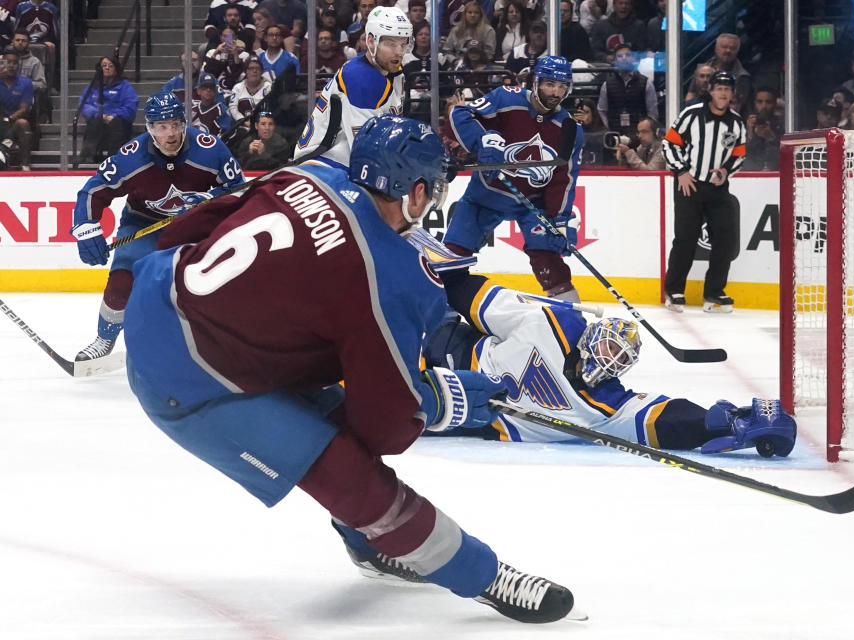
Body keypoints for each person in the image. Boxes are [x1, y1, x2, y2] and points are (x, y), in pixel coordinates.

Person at [121, 113, 576, 624]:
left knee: (330, 422)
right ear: (417, 192)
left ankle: (367, 544)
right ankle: (485, 576)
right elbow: (386, 423)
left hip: (158, 296)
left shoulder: (310, 173)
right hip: (188, 380)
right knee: (351, 476)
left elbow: (198, 223)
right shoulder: (387, 280)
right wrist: (442, 399)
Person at [420, 266, 796, 454]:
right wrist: (427, 268)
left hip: (456, 413)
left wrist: (723, 424)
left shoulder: (606, 406)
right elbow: (472, 295)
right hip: (442, 347)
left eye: (617, 358)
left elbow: (664, 419)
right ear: (591, 337)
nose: (606, 360)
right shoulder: (553, 321)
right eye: (606, 348)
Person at [69, 92, 245, 361]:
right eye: (162, 127)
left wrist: (210, 199)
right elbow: (93, 192)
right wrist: (85, 229)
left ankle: (218, 341)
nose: (171, 133)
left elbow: (239, 189)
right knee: (121, 281)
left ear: (185, 123)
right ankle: (104, 340)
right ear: (150, 129)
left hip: (193, 224)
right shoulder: (131, 158)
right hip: (142, 223)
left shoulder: (210, 149)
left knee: (209, 281)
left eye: (176, 124)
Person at [445, 55, 585, 302]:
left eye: (562, 86)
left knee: (550, 261)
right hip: (485, 196)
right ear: (535, 82)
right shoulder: (506, 98)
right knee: (451, 258)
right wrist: (484, 141)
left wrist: (560, 219)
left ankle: (569, 319)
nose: (556, 92)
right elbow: (461, 113)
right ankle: (440, 316)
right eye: (550, 84)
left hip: (531, 204)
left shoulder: (570, 130)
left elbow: (564, 179)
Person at [662, 70, 746, 313]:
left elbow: (739, 154)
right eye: (719, 88)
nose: (723, 92)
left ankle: (714, 292)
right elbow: (669, 142)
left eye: (727, 89)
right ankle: (674, 290)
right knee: (686, 239)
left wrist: (726, 171)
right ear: (710, 90)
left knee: (725, 240)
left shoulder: (737, 122)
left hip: (718, 189)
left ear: (732, 94)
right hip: (690, 185)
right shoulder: (692, 114)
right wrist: (681, 171)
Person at [294, 6, 411, 167]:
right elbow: (367, 152)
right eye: (391, 44)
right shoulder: (360, 77)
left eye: (403, 44)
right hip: (323, 165)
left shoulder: (394, 72)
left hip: (343, 163)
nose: (399, 52)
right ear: (371, 41)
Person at [77, 55, 139, 163]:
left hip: (117, 122)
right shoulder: (93, 86)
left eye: (110, 66)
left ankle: (115, 160)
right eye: (104, 65)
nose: (107, 68)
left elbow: (130, 107)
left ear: (116, 69)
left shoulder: (124, 86)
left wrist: (114, 115)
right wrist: (99, 114)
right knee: (94, 122)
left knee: (116, 123)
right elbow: (83, 104)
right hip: (98, 120)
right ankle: (86, 159)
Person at [597, 44, 657, 134]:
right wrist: (609, 130)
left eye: (628, 55)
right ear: (615, 61)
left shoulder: (646, 83)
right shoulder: (607, 85)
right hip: (615, 134)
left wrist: (645, 132)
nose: (624, 58)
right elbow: (602, 110)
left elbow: (652, 113)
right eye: (620, 56)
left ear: (633, 59)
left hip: (639, 135)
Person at [690, 33, 751, 114]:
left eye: (732, 48)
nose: (728, 50)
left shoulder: (743, 77)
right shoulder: (701, 70)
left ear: (737, 51)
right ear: (716, 49)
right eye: (724, 47)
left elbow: (737, 106)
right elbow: (691, 94)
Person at [0, 50, 32, 169]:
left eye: (15, 63)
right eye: (8, 62)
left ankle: (25, 166)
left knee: (23, 123)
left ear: (19, 65)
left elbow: (24, 108)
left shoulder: (26, 83)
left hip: (12, 123)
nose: (11, 65)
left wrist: (9, 118)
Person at [589, 0, 646, 64]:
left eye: (627, 4)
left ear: (631, 6)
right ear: (614, 5)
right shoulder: (600, 26)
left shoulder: (639, 26)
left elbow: (642, 50)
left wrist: (631, 57)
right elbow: (595, 50)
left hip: (631, 67)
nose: (624, 6)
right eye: (620, 3)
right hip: (606, 68)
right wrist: (605, 57)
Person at [742, 86, 782, 171]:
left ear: (775, 103)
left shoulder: (783, 125)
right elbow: (740, 156)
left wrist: (772, 138)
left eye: (768, 102)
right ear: (754, 103)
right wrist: (750, 133)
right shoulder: (744, 125)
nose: (764, 106)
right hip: (750, 174)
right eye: (760, 102)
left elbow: (786, 155)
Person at [227, 56, 272, 123]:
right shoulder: (238, 87)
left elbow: (271, 110)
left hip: (262, 125)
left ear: (262, 71)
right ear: (245, 71)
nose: (254, 71)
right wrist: (243, 121)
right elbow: (233, 107)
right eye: (251, 68)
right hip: (241, 125)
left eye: (258, 68)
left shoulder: (268, 87)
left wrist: (257, 121)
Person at [571, 97, 607, 166]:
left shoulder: (603, 132)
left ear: (593, 113)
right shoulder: (572, 130)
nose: (583, 116)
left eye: (586, 112)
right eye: (581, 112)